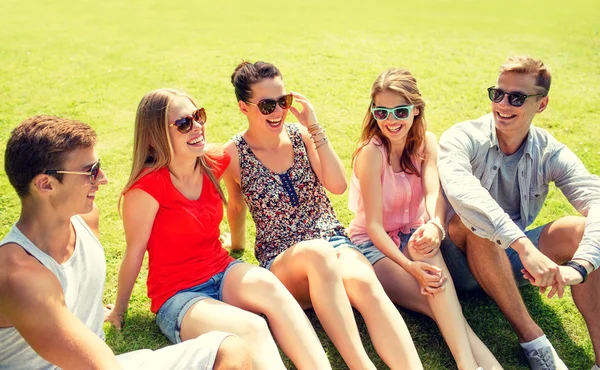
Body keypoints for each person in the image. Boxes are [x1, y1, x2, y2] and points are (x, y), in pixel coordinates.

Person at [0, 115, 251, 370]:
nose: (103, 179)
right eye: (91, 172)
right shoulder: (19, 275)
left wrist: (114, 310)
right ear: (46, 184)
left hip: (104, 363)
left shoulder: (86, 219)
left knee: (231, 349)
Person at [106, 88, 330, 370]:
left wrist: (236, 243)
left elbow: (236, 204)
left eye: (198, 116)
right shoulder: (145, 189)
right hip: (179, 295)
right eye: (184, 123)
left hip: (222, 271)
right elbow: (135, 252)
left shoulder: (214, 160)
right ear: (154, 137)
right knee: (252, 327)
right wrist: (119, 311)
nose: (198, 126)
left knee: (272, 289)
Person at [223, 61, 422, 370]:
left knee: (365, 282)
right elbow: (235, 207)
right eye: (266, 105)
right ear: (243, 107)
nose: (277, 112)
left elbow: (338, 185)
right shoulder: (233, 154)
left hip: (333, 240)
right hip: (283, 258)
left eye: (283, 101)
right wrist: (236, 244)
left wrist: (314, 127)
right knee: (317, 254)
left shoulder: (302, 135)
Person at [438, 56, 600, 370]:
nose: (503, 104)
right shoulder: (461, 137)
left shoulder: (549, 151)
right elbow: (465, 196)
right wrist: (524, 247)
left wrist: (582, 266)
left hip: (511, 261)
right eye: (497, 94)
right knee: (475, 221)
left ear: (541, 105)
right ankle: (534, 341)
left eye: (516, 98)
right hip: (454, 260)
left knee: (582, 229)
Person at [348, 68, 502, 370]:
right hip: (373, 247)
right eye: (381, 112)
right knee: (438, 303)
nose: (391, 121)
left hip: (415, 236)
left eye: (400, 111)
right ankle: (473, 365)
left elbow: (434, 194)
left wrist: (435, 224)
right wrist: (410, 268)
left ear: (416, 109)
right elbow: (374, 226)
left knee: (438, 288)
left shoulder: (427, 142)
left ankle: (472, 366)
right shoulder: (371, 154)